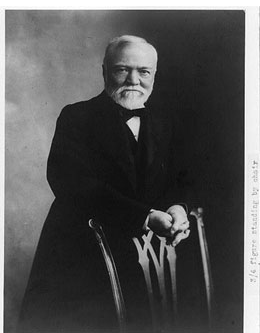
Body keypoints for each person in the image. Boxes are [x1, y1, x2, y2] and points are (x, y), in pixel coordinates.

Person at [18, 35, 192, 333]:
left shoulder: (164, 123)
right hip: (79, 262)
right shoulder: (76, 117)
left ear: (154, 75)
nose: (133, 80)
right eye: (122, 70)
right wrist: (146, 216)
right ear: (104, 72)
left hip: (143, 261)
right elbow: (71, 183)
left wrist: (178, 208)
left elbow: (178, 179)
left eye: (144, 72)